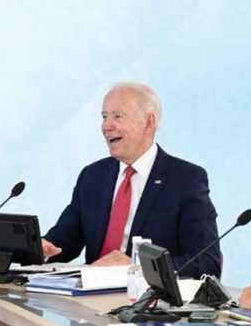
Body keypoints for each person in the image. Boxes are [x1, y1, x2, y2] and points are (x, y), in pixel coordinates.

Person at [42, 82, 221, 278]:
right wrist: (43, 248)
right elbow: (63, 242)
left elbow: (206, 261)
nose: (106, 126)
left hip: (148, 301)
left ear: (148, 123)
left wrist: (138, 266)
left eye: (117, 116)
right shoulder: (93, 176)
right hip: (90, 295)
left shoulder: (185, 179)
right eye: (104, 117)